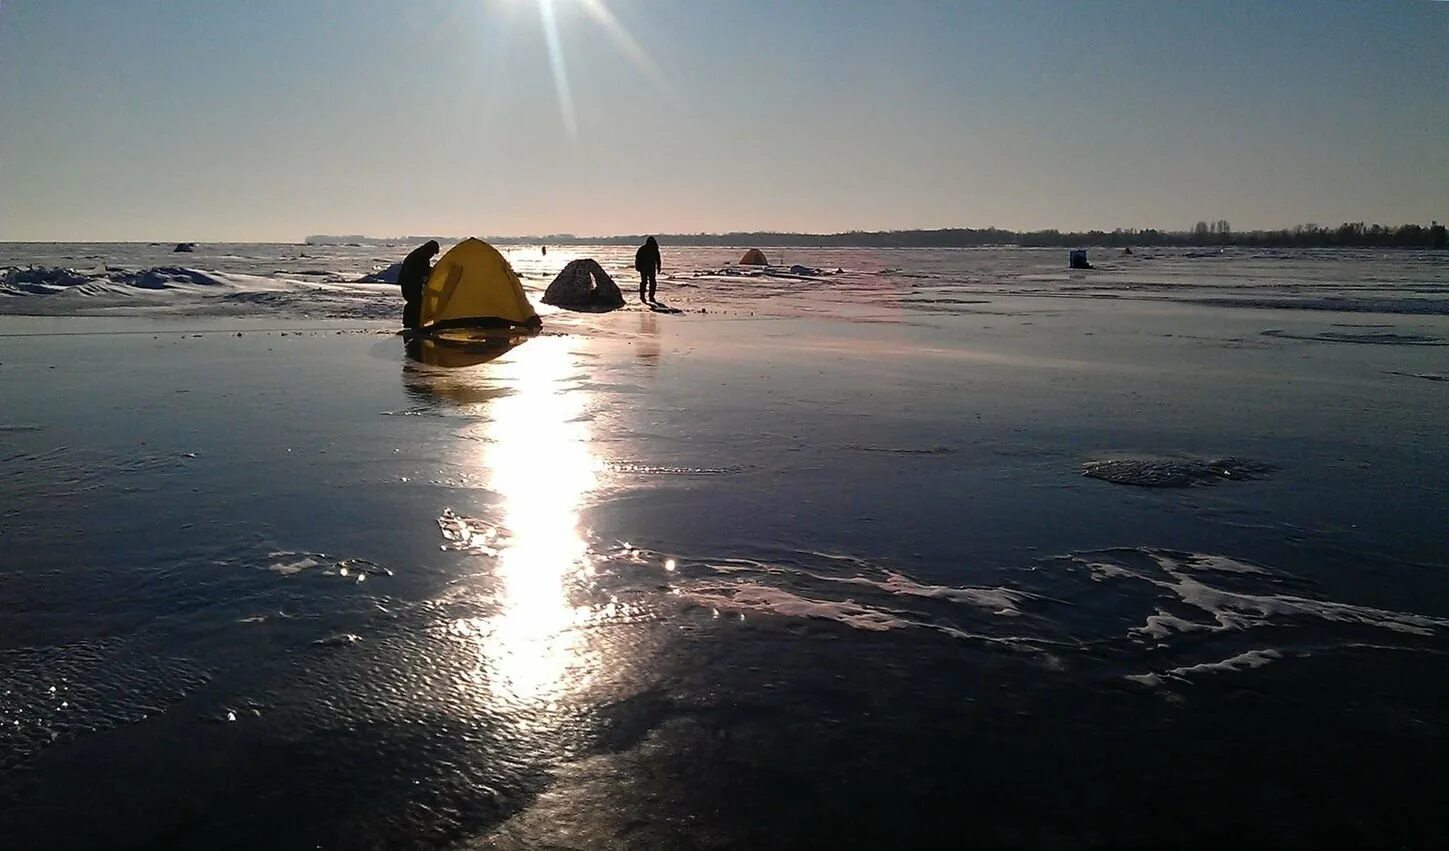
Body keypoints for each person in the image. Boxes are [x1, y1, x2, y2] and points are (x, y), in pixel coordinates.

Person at [398, 240, 440, 329]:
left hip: (407, 282)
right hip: (411, 283)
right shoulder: (421, 257)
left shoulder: (418, 254)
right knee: (415, 303)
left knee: (413, 302)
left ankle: (409, 324)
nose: (432, 256)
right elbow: (422, 273)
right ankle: (412, 325)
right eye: (432, 253)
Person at [634, 236, 662, 304]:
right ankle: (645, 296)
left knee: (649, 282)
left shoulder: (652, 249)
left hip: (649, 268)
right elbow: (637, 258)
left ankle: (649, 296)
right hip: (646, 268)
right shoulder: (646, 249)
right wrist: (637, 266)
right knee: (646, 282)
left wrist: (658, 267)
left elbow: (658, 259)